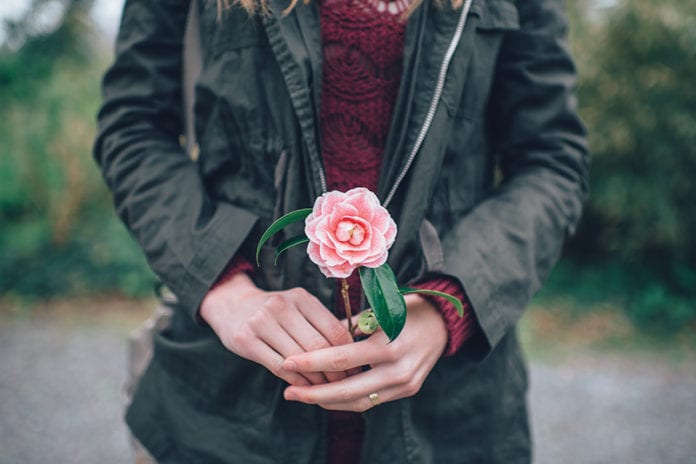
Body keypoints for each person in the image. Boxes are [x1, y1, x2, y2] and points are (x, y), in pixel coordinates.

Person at [94, 0, 588, 462]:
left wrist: (447, 306)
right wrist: (223, 286)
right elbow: (134, 126)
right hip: (229, 407)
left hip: (451, 413)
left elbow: (550, 162)